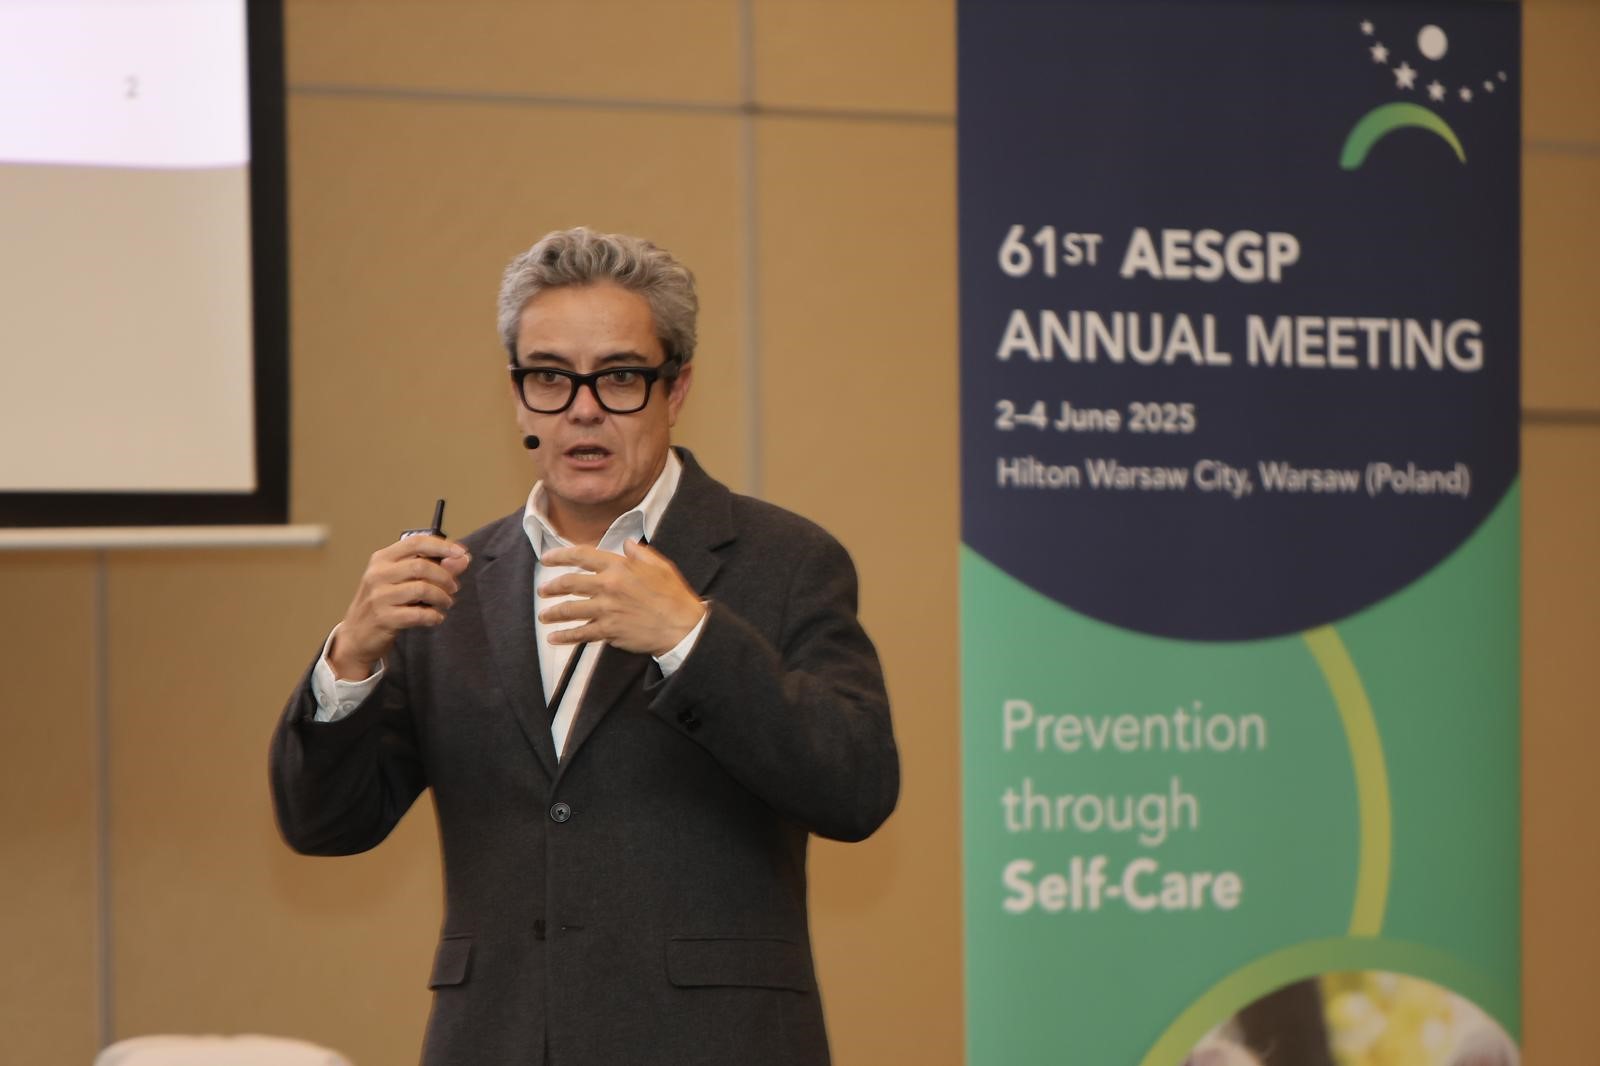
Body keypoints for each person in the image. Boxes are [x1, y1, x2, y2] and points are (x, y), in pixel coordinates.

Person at [269, 228, 900, 1066]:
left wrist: (691, 638)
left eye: (620, 377)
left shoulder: (786, 560)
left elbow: (856, 788)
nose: (583, 408)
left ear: (676, 389)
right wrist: (351, 658)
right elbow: (326, 824)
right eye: (550, 377)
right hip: (497, 1042)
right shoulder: (452, 582)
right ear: (518, 396)